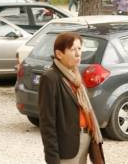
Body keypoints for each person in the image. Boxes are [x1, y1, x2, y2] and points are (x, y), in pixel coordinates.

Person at [39, 32, 103, 163]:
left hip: (85, 139)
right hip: (67, 147)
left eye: (79, 48)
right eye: (73, 49)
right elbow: (47, 123)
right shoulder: (51, 78)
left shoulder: (76, 75)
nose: (78, 53)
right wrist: (52, 159)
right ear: (59, 54)